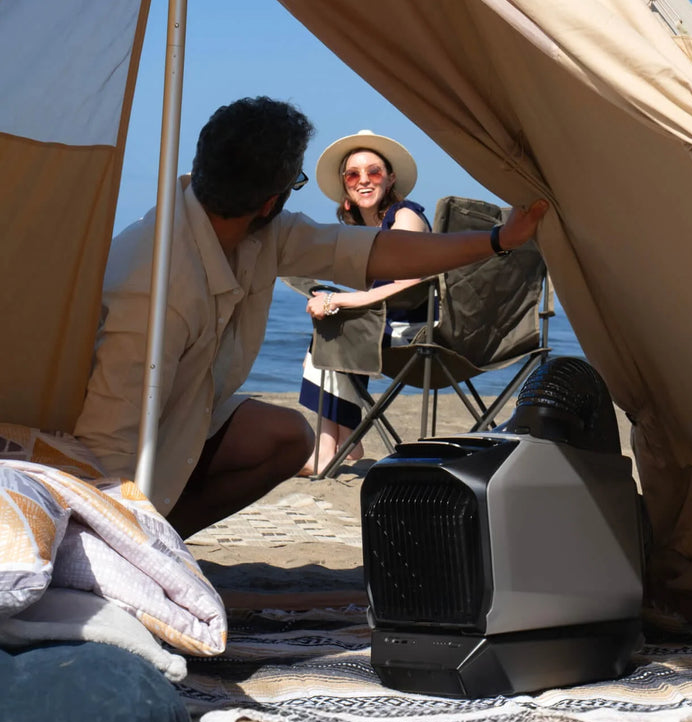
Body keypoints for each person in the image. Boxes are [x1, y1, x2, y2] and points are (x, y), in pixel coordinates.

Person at [73, 96, 549, 539]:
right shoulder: (153, 286)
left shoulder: (261, 232)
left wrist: (497, 240)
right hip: (110, 446)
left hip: (185, 410)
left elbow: (380, 252)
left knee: (287, 437)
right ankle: (142, 545)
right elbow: (106, 444)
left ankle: (167, 539)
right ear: (268, 201)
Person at [298, 130, 432, 475]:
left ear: (390, 179)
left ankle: (332, 446)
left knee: (334, 325)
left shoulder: (405, 216)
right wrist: (326, 296)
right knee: (330, 322)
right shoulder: (364, 228)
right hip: (388, 322)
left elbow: (410, 284)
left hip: (420, 326)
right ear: (345, 186)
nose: (364, 181)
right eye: (353, 174)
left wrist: (337, 300)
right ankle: (340, 441)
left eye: (373, 172)